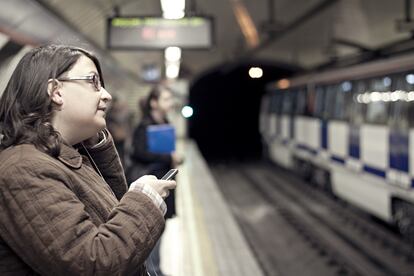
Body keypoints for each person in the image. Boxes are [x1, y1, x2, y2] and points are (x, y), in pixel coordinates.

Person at [0, 44, 176, 276]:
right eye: (94, 82)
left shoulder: (69, 155)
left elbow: (110, 216)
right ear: (56, 91)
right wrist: (146, 200)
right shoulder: (24, 169)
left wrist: (98, 147)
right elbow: (92, 264)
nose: (106, 94)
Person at [128, 85, 183, 276]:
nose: (170, 103)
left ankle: (155, 268)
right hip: (152, 181)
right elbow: (139, 153)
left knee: (162, 224)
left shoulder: (165, 122)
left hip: (165, 179)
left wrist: (175, 158)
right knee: (153, 228)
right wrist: (169, 158)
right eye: (166, 99)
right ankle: (153, 270)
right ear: (154, 103)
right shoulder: (144, 126)